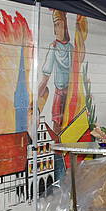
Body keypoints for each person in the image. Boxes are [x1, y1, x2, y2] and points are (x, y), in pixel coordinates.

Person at [38, 10, 73, 139]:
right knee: (57, 127)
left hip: (70, 95)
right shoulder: (53, 47)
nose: (57, 29)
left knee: (70, 127)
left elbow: (76, 72)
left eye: (60, 25)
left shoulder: (71, 48)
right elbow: (46, 76)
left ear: (65, 27)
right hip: (59, 94)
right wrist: (36, 97)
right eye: (55, 25)